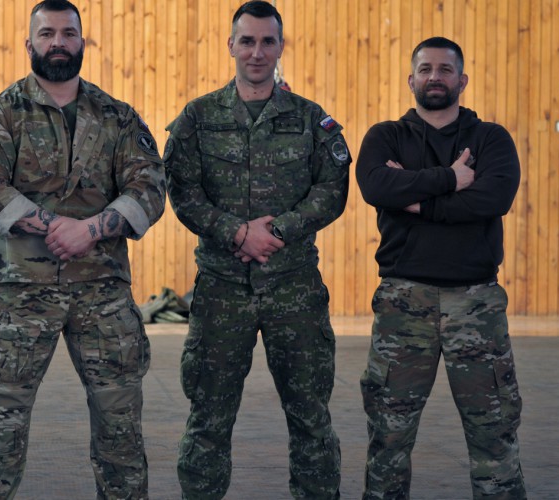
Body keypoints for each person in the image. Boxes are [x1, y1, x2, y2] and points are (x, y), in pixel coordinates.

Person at [0, 1, 166, 498]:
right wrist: (56, 226)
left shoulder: (117, 117)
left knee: (120, 428)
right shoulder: (1, 113)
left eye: (68, 33)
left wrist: (89, 230)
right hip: (19, 290)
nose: (58, 42)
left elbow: (150, 187)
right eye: (47, 33)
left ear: (81, 42)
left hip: (102, 290)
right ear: (29, 44)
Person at [163, 2, 351, 498]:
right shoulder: (198, 118)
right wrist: (235, 232)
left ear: (281, 46)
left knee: (311, 417)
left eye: (268, 41)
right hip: (221, 290)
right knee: (208, 419)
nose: (257, 52)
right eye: (247, 41)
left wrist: (279, 231)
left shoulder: (311, 120)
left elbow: (332, 190)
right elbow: (182, 191)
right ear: (231, 45)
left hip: (294, 289)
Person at [355, 37, 526, 499]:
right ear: (410, 79)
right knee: (388, 434)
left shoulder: (491, 138)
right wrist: (452, 179)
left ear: (462, 80)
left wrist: (415, 199)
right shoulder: (385, 136)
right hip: (402, 301)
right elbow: (376, 186)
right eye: (426, 69)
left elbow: (493, 198)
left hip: (476, 303)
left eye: (445, 69)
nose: (435, 77)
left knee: (494, 431)